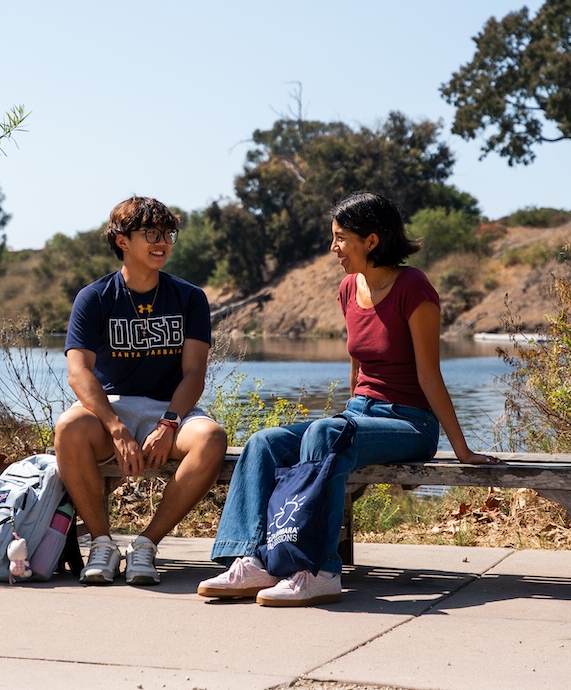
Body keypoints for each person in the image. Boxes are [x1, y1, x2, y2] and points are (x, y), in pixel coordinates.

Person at [198, 191, 496, 606]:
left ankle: (317, 570)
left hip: (410, 423)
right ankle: (253, 559)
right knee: (263, 443)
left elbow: (429, 374)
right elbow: (356, 363)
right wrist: (347, 415)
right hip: (360, 416)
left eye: (340, 238)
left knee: (326, 434)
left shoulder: (414, 287)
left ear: (371, 241)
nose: (333, 248)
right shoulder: (347, 288)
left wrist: (460, 448)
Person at [57, 196, 229, 586]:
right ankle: (102, 544)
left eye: (168, 232)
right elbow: (79, 373)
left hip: (169, 408)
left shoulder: (189, 298)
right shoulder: (94, 297)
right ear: (122, 240)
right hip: (111, 409)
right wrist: (116, 428)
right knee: (69, 427)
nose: (162, 241)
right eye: (150, 232)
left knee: (212, 438)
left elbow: (194, 374)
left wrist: (170, 423)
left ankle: (146, 545)